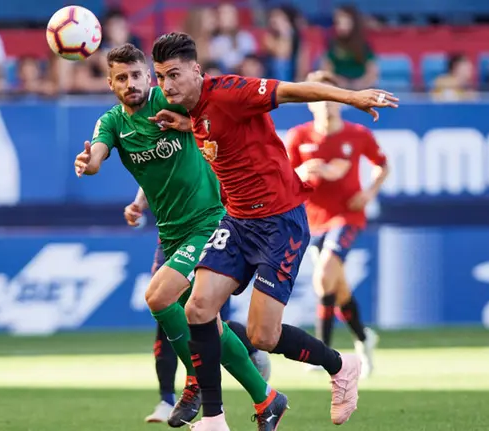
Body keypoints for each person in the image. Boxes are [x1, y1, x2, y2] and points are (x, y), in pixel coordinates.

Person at [150, 32, 397, 430]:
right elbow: (215, 131)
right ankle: (213, 418)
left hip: (280, 222)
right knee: (197, 309)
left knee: (263, 336)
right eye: (161, 76)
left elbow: (294, 91)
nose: (167, 85)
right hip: (237, 221)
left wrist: (352, 96)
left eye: (175, 74)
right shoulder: (190, 108)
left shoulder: (231, 91)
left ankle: (341, 365)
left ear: (196, 70)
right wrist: (184, 124)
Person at [72, 43, 277, 428]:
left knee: (159, 297)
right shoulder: (112, 123)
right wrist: (91, 162)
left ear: (149, 76)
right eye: (121, 78)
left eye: (136, 75)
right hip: (171, 233)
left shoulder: (174, 102)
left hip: (210, 221)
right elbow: (98, 154)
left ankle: (196, 380)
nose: (130, 83)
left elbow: (216, 111)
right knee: (204, 322)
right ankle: (266, 398)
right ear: (111, 83)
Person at [285, 71, 389, 379]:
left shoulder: (357, 135)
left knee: (323, 276)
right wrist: (305, 170)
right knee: (336, 285)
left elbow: (382, 165)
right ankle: (363, 337)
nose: (327, 105)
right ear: (310, 103)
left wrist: (369, 192)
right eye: (320, 98)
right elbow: (286, 178)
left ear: (341, 102)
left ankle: (321, 353)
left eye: (332, 98)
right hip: (311, 220)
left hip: (346, 216)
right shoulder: (299, 137)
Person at [144, 237, 271, 423]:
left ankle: (256, 382)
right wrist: (140, 205)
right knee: (165, 308)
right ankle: (168, 399)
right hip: (170, 235)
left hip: (206, 231)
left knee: (210, 322)